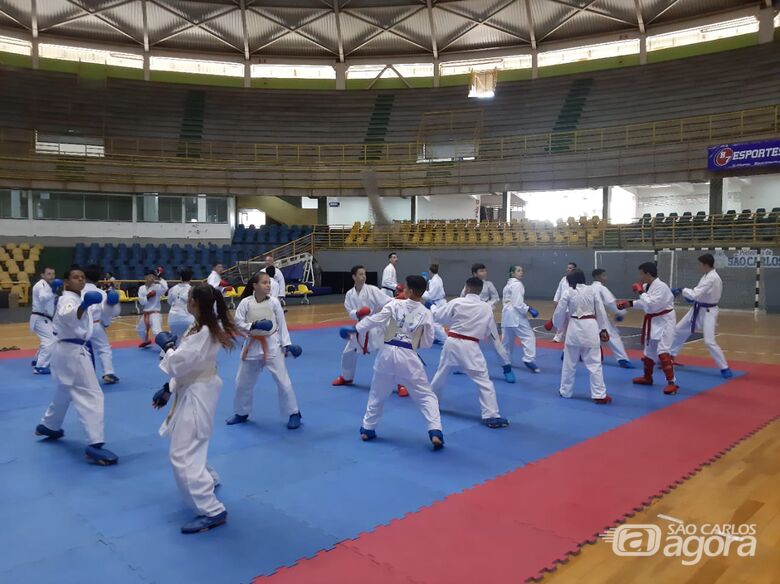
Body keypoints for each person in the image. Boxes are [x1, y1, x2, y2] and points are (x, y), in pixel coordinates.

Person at [151, 283, 238, 534]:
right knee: (193, 441)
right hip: (194, 387)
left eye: (189, 298)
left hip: (199, 392)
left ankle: (212, 510)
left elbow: (180, 361)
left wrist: (167, 347)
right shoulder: (198, 327)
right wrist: (169, 388)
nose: (187, 301)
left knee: (181, 453)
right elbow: (187, 367)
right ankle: (208, 478)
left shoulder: (204, 332)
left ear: (195, 302)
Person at [340, 275, 444, 450]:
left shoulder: (394, 305)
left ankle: (368, 429)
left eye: (404, 288)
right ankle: (435, 431)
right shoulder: (426, 313)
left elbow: (375, 320)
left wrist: (354, 329)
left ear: (409, 291)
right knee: (426, 396)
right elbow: (427, 343)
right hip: (408, 356)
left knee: (377, 393)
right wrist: (412, 338)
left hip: (386, 354)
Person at [35, 267, 118, 465]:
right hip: (73, 352)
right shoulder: (68, 299)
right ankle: (94, 444)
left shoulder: (79, 298)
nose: (80, 280)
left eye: (82, 277)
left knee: (65, 390)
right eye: (75, 277)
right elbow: (67, 315)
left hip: (67, 351)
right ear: (66, 282)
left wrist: (100, 303)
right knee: (92, 395)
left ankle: (49, 425)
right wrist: (84, 306)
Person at [225, 272, 303, 429]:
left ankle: (294, 413)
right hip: (252, 344)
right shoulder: (245, 303)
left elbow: (281, 324)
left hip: (271, 343)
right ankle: (242, 412)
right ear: (255, 285)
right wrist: (253, 326)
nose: (268, 285)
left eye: (269, 282)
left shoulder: (274, 303)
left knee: (283, 380)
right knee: (242, 382)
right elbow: (237, 323)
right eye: (264, 283)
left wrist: (287, 344)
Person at [430, 277, 509, 428]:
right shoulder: (486, 308)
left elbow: (439, 317)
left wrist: (432, 307)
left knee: (441, 374)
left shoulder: (457, 302)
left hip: (452, 342)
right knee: (483, 380)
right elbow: (487, 331)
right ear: (480, 290)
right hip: (471, 345)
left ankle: (430, 405)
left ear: (466, 288)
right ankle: (491, 415)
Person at [617, 262, 679, 395]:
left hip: (665, 321)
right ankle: (647, 377)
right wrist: (629, 304)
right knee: (649, 350)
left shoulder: (661, 287)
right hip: (654, 320)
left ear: (648, 274)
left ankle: (672, 383)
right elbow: (645, 303)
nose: (640, 277)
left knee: (663, 351)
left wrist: (640, 292)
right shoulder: (647, 286)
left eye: (641, 274)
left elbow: (651, 305)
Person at [552, 269, 613, 404]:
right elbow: (600, 311)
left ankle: (565, 392)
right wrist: (603, 328)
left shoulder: (568, 292)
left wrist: (557, 324)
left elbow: (559, 312)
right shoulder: (593, 290)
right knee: (594, 364)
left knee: (569, 363)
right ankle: (599, 395)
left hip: (574, 329)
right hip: (590, 328)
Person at [669, 253, 732, 378]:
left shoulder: (712, 278)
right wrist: (690, 297)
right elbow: (698, 294)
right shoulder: (706, 275)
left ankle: (724, 367)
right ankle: (670, 356)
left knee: (709, 341)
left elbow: (695, 294)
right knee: (678, 330)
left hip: (708, 312)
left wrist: (682, 290)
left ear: (706, 265)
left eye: (700, 264)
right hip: (697, 309)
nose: (698, 267)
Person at [332, 265, 391, 386]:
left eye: (364, 274)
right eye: (360, 274)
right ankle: (346, 377)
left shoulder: (372, 290)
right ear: (354, 276)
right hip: (360, 327)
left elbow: (387, 301)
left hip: (375, 326)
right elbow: (350, 312)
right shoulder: (349, 294)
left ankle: (401, 383)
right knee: (348, 353)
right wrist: (357, 313)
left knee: (387, 354)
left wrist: (399, 299)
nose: (364, 277)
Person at [460, 263, 515, 383]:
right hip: (472, 318)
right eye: (481, 271)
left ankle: (507, 369)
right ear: (474, 273)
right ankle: (464, 366)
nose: (484, 273)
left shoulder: (489, 284)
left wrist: (486, 306)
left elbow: (495, 298)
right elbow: (462, 299)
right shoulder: (468, 285)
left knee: (496, 343)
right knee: (466, 342)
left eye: (485, 270)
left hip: (486, 317)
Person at [83, 265, 120, 384]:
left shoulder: (77, 292)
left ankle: (83, 375)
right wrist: (106, 323)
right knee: (104, 349)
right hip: (96, 325)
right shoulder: (101, 293)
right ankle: (108, 372)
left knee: (80, 350)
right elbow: (108, 312)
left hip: (78, 326)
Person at [501, 265, 541, 374]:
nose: (521, 272)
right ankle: (529, 359)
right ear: (512, 273)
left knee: (507, 341)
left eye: (522, 270)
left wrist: (526, 306)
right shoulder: (517, 284)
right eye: (518, 271)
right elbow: (517, 303)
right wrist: (529, 309)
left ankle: (505, 360)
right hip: (516, 316)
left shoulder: (507, 285)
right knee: (528, 336)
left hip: (506, 316)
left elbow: (511, 301)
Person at [591, 269, 633, 368]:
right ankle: (623, 359)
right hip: (601, 316)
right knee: (612, 336)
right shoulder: (601, 288)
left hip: (589, 317)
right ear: (597, 277)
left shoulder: (589, 288)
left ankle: (579, 355)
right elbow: (610, 303)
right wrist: (620, 313)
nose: (606, 278)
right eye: (604, 276)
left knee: (590, 337)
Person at [30, 266, 61, 375]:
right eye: (49, 274)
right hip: (40, 317)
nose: (52, 276)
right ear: (42, 275)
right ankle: (40, 367)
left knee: (51, 338)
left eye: (53, 273)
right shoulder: (41, 284)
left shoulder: (48, 285)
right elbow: (43, 298)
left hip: (45, 318)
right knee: (50, 340)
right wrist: (53, 291)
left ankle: (36, 360)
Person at [136, 270, 167, 349]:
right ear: (145, 277)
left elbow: (165, 288)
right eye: (150, 276)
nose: (151, 278)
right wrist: (148, 296)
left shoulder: (157, 287)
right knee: (140, 329)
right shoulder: (141, 288)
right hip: (146, 313)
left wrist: (159, 278)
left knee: (156, 331)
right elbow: (141, 302)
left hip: (155, 313)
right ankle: (146, 341)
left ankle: (166, 346)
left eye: (153, 276)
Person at [166, 268, 195, 343]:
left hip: (172, 318)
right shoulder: (192, 289)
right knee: (191, 338)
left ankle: (166, 352)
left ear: (180, 278)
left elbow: (169, 302)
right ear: (190, 279)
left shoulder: (172, 289)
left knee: (175, 340)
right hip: (187, 319)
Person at [552, 262, 578, 343]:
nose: (568, 269)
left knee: (572, 322)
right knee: (561, 321)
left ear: (574, 269)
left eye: (570, 268)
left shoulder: (577, 279)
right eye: (568, 268)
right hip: (563, 304)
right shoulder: (563, 279)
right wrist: (556, 300)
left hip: (572, 304)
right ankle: (557, 338)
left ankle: (572, 338)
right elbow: (559, 290)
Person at [422, 263, 447, 344]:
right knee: (433, 321)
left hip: (438, 303)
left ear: (430, 271)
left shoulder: (435, 281)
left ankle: (445, 340)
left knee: (436, 323)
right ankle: (437, 337)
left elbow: (431, 295)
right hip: (438, 302)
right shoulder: (436, 279)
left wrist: (421, 292)